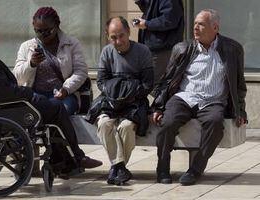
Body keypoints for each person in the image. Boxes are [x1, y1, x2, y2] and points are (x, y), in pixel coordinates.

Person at [0, 21, 102, 176]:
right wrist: (29, 91)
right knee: (56, 109)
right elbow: (5, 90)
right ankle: (73, 157)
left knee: (53, 108)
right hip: (7, 107)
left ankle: (61, 159)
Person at [151, 9, 247, 186]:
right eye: (195, 23)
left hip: (213, 100)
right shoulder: (182, 48)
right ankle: (163, 167)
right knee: (168, 122)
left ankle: (195, 170)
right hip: (184, 97)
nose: (195, 27)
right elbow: (167, 80)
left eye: (201, 24)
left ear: (215, 27)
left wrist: (240, 109)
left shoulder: (233, 49)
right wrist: (158, 107)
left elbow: (239, 83)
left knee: (216, 124)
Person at [96, 16, 153, 185]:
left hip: (135, 102)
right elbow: (100, 82)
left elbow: (148, 84)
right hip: (111, 102)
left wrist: (129, 95)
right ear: (108, 37)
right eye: (113, 37)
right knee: (104, 124)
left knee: (126, 127)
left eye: (121, 35)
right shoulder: (106, 52)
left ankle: (116, 167)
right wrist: (115, 95)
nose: (118, 41)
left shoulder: (143, 51)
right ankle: (120, 167)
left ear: (129, 32)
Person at [14, 7, 88, 115]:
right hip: (35, 96)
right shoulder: (26, 47)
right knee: (31, 116)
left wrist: (66, 89)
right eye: (38, 31)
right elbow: (17, 77)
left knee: (61, 112)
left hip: (63, 95)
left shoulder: (72, 44)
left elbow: (81, 71)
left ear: (57, 26)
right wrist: (31, 64)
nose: (43, 35)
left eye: (47, 31)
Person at [133, 0, 184, 85]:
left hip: (162, 50)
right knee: (151, 83)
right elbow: (151, 11)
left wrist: (147, 24)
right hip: (153, 48)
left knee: (156, 85)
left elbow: (169, 19)